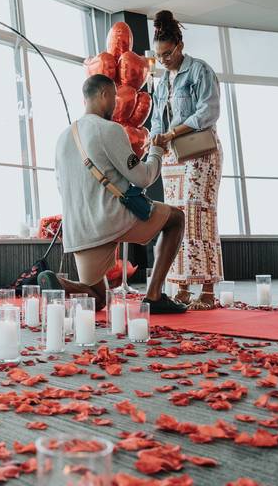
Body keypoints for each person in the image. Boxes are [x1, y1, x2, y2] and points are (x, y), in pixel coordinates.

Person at [53, 74, 187, 314]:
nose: (116, 104)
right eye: (114, 97)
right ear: (104, 95)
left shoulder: (63, 137)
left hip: (79, 231)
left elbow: (62, 186)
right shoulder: (108, 129)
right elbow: (143, 177)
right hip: (112, 220)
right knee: (176, 219)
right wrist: (156, 151)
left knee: (98, 299)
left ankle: (60, 284)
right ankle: (154, 296)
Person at [149, 10, 224, 310]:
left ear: (179, 46)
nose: (164, 60)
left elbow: (209, 111)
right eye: (159, 56)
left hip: (200, 153)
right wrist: (157, 140)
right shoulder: (162, 81)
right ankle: (180, 287)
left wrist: (173, 132)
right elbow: (156, 119)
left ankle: (206, 289)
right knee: (176, 218)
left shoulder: (199, 71)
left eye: (167, 54)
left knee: (199, 215)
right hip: (173, 156)